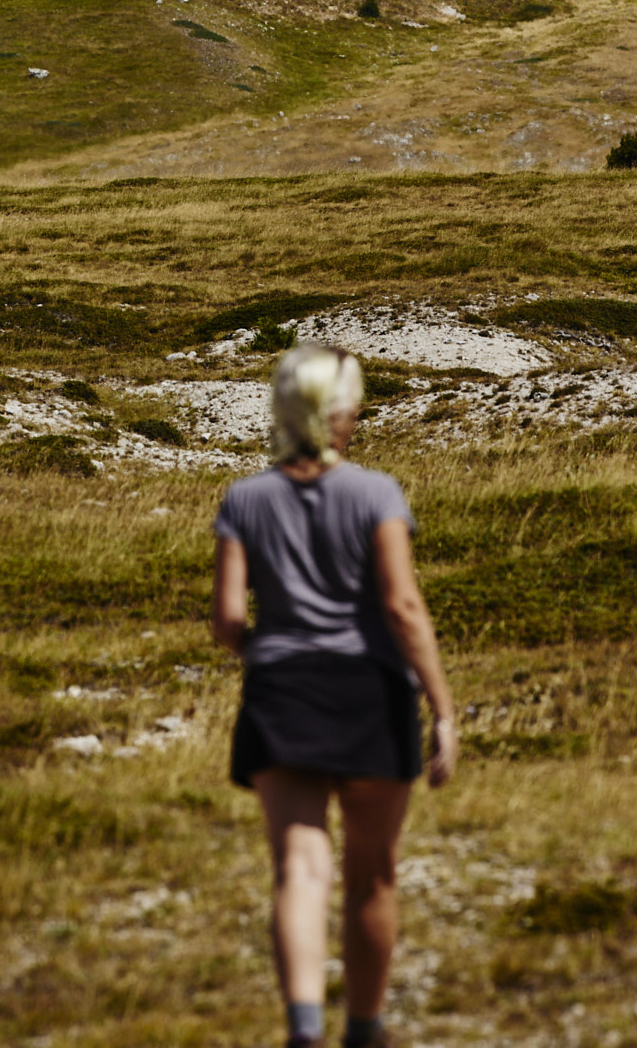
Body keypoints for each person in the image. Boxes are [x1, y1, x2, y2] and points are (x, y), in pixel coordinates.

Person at [212, 344, 457, 1048]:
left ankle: (303, 1027)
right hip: (370, 691)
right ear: (339, 411)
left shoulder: (244, 499)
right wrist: (442, 709)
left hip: (282, 693)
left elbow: (229, 622)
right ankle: (367, 1029)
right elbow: (403, 606)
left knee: (299, 866)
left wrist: (269, 655)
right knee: (372, 877)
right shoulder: (376, 492)